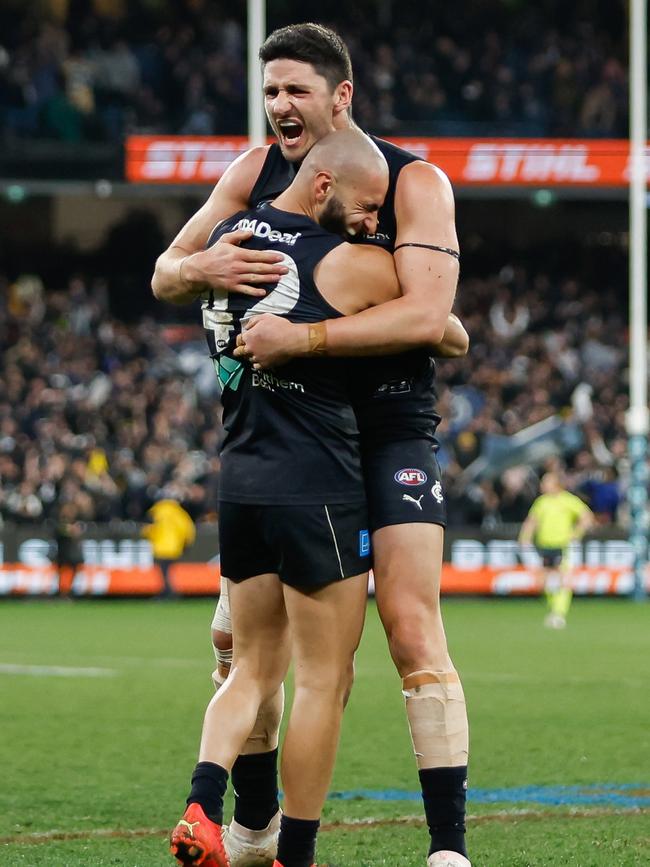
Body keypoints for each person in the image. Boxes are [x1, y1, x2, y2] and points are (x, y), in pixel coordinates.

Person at [154, 24, 471, 867]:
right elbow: (167, 270)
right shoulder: (255, 175)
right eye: (271, 91)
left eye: (296, 90)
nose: (280, 107)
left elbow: (436, 320)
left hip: (379, 428)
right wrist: (202, 268)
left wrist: (302, 336)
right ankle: (266, 834)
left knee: (407, 628)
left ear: (342, 97)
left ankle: (446, 845)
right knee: (264, 655)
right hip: (305, 445)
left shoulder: (414, 180)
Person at [518, 472, 593, 628]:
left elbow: (587, 517)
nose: (542, 485)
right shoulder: (541, 502)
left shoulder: (568, 500)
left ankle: (559, 613)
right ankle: (553, 609)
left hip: (562, 546)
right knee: (545, 581)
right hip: (544, 546)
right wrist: (525, 537)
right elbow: (532, 521)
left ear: (557, 484)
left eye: (546, 482)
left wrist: (576, 534)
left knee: (563, 579)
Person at [141, 498, 196, 598]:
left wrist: (146, 532)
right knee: (168, 571)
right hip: (174, 547)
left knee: (163, 571)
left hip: (160, 547)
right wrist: (186, 543)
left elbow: (150, 529)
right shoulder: (179, 512)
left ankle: (168, 592)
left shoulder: (157, 511)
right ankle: (169, 591)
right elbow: (188, 529)